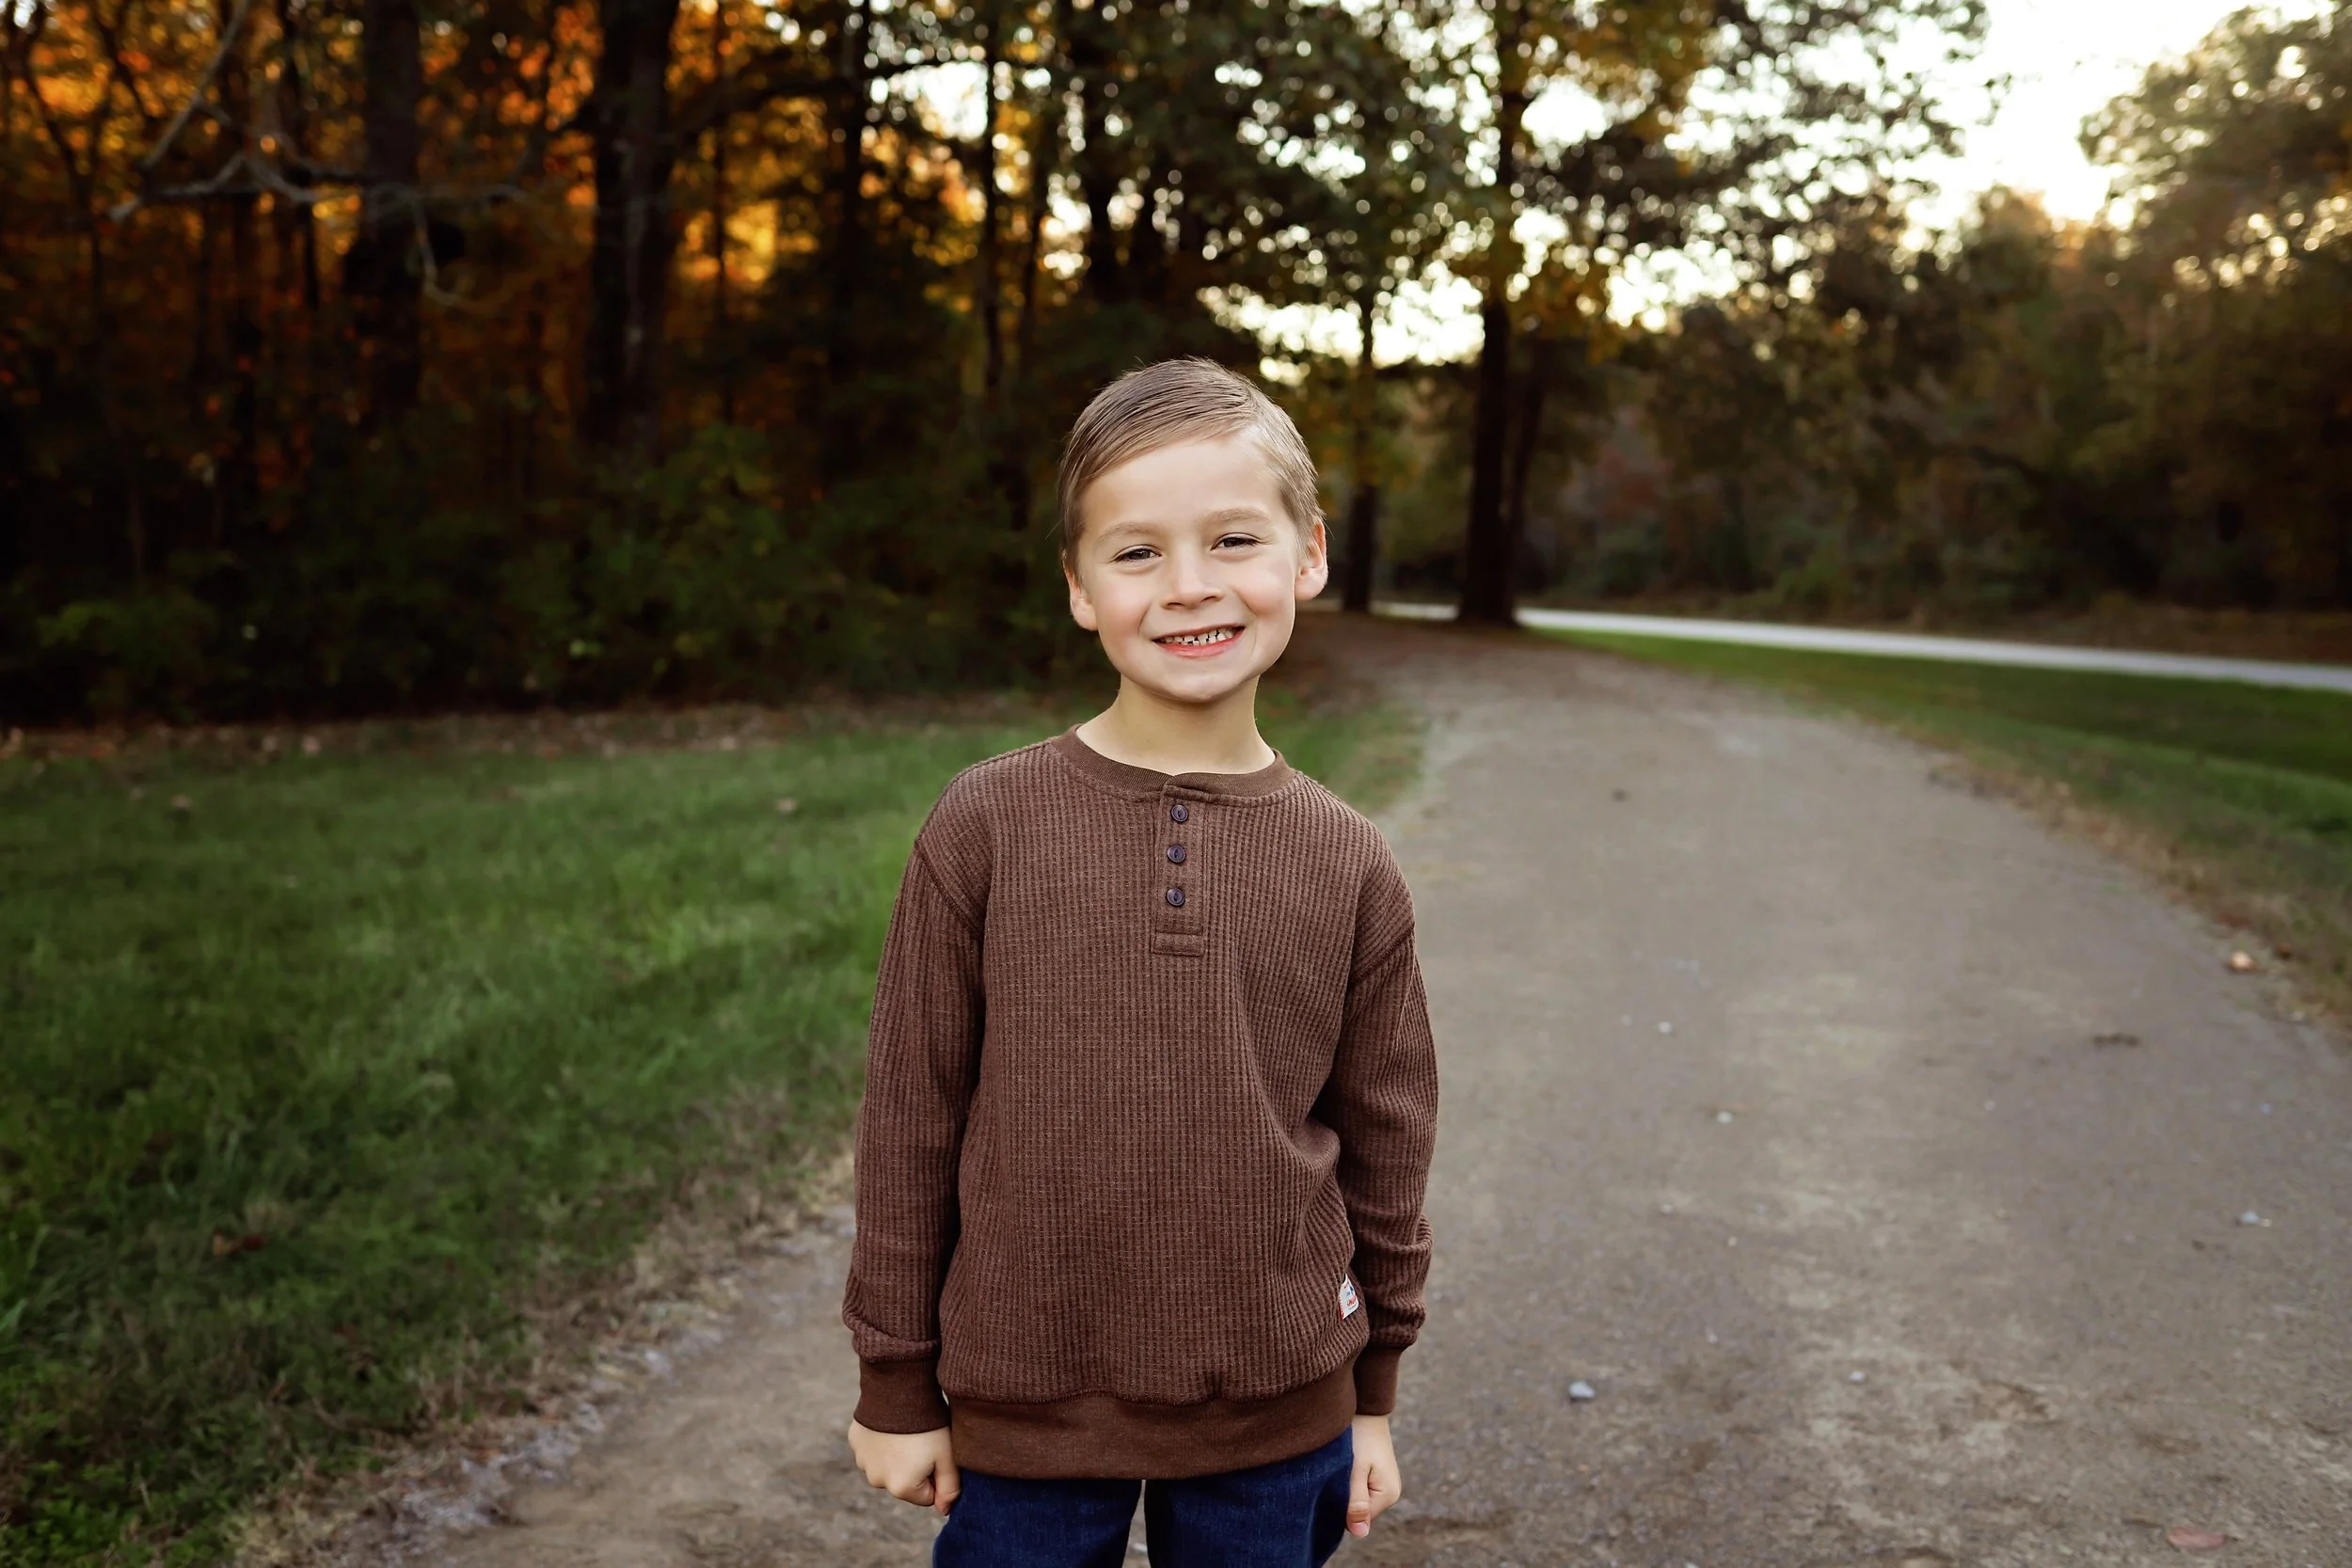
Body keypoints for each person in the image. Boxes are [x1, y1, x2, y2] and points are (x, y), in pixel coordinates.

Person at [842, 357, 1441, 1567]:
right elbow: (910, 1112)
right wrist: (895, 1381)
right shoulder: (986, 824)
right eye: (1136, 552)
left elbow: (1387, 1141)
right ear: (1078, 586)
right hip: (1025, 1398)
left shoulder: (1348, 860)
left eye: (1232, 539)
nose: (1188, 585)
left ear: (1308, 555)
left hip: (1278, 1406)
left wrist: (1370, 1393)